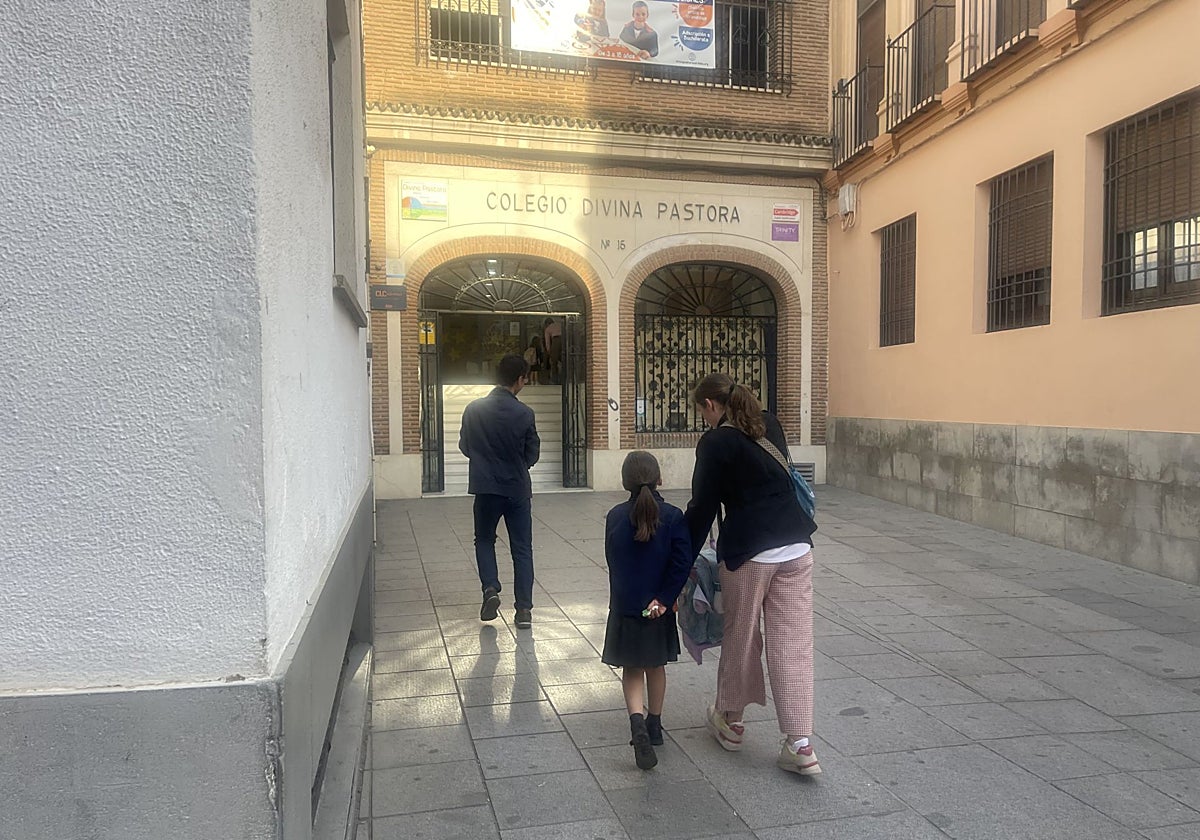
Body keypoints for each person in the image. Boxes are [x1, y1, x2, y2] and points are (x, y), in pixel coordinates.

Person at [683, 372, 821, 776]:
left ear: (710, 406)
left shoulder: (715, 442)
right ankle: (800, 745)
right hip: (797, 547)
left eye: (702, 412)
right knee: (793, 644)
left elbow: (702, 509)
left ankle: (730, 721)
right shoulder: (769, 422)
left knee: (741, 636)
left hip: (749, 554)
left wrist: (679, 562)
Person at [601, 451, 692, 770]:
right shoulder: (672, 516)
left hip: (626, 606)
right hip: (657, 608)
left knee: (631, 669)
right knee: (655, 666)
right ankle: (654, 724)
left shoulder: (614, 515)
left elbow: (612, 558)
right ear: (660, 479)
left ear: (625, 481)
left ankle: (636, 724)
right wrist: (665, 599)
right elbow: (681, 562)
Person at [459, 354, 541, 629]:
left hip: (485, 488)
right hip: (517, 488)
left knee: (484, 540)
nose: (525, 382)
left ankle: (490, 589)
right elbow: (533, 453)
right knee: (522, 549)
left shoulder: (473, 409)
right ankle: (524, 611)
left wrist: (484, 462)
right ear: (519, 379)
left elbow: (465, 447)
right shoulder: (525, 413)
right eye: (525, 378)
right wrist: (518, 464)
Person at [542, 317, 563, 384]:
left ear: (546, 324)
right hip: (565, 340)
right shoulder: (560, 325)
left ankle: (555, 380)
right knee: (566, 361)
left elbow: (547, 342)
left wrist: (549, 353)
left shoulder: (548, 329)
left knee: (554, 362)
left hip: (556, 341)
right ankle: (566, 378)